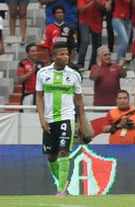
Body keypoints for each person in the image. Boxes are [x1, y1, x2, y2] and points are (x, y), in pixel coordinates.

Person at [35, 44, 88, 197]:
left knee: (63, 152)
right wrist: (42, 118)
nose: (66, 57)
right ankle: (63, 183)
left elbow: (79, 102)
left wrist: (82, 124)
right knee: (51, 156)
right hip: (49, 119)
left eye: (67, 54)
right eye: (62, 54)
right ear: (54, 56)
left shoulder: (74, 75)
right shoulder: (43, 73)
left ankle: (61, 190)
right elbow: (39, 96)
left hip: (66, 118)